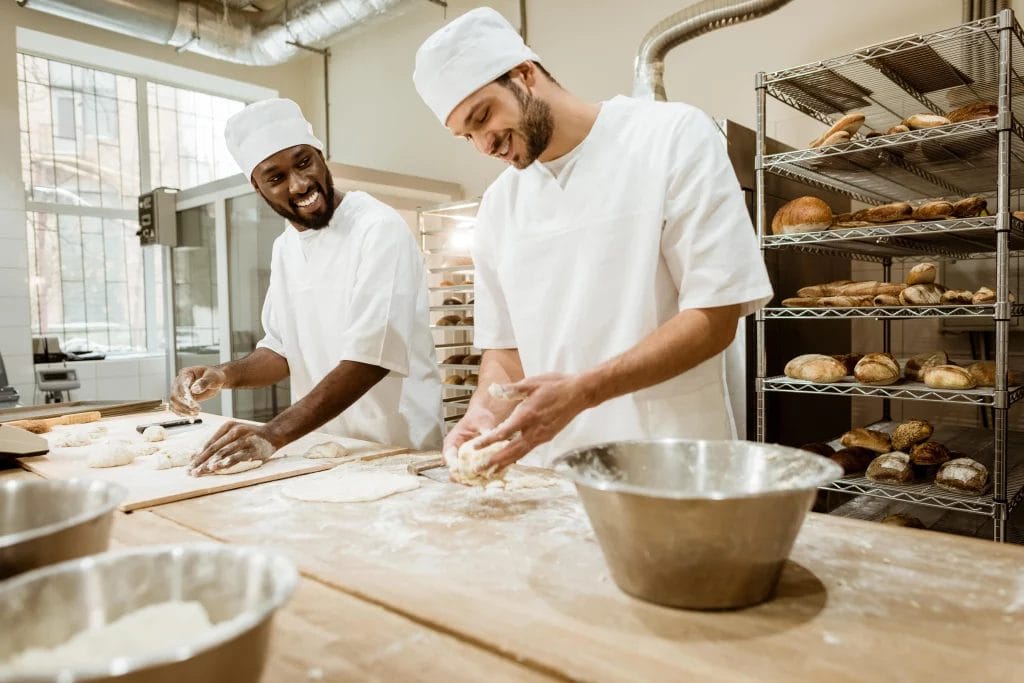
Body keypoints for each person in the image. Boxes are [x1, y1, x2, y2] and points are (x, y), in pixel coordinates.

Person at [413, 8, 772, 471]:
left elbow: (715, 315)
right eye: (468, 136)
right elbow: (506, 351)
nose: (485, 145)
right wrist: (484, 410)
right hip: (550, 473)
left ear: (525, 74)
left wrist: (585, 391)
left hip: (670, 461)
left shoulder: (671, 136)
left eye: (483, 117)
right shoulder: (500, 206)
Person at [170, 98, 442, 475]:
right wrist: (223, 374)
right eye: (276, 178)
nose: (299, 184)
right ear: (258, 188)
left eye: (303, 162)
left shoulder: (377, 228)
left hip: (396, 447)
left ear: (320, 154)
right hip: (322, 448)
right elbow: (281, 350)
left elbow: (371, 358)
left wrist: (273, 434)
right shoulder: (285, 247)